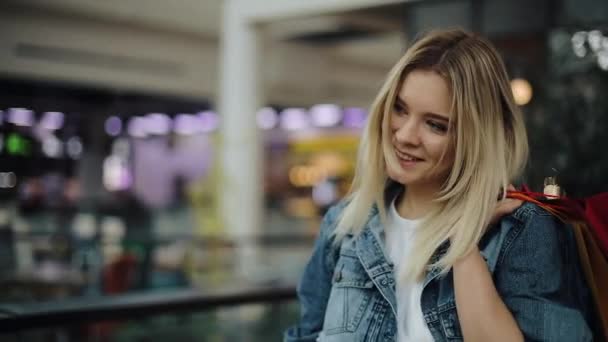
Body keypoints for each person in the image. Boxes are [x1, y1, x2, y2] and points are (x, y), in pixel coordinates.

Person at [284, 29, 595, 342]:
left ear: (476, 138)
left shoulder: (519, 231)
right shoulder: (345, 224)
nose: (405, 135)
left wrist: (464, 248)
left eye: (435, 125)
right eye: (399, 108)